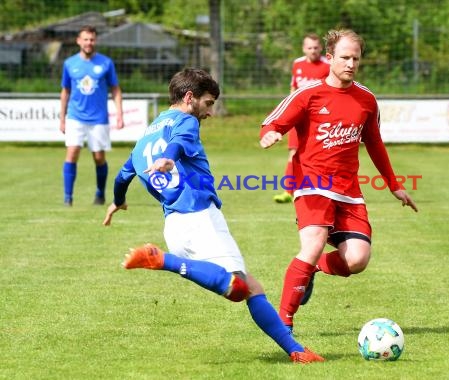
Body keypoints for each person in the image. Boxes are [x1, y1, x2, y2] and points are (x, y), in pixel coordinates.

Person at [102, 68, 324, 364]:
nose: (210, 112)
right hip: (200, 217)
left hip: (175, 225)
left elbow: (122, 176)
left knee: (251, 287)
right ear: (190, 97)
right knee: (238, 287)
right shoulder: (186, 121)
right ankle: (162, 259)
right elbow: (179, 143)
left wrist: (117, 202)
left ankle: (296, 351)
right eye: (208, 103)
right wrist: (169, 157)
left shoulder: (147, 133)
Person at [259, 29, 418, 332]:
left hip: (348, 191)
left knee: (357, 259)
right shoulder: (308, 94)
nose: (350, 63)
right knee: (315, 243)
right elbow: (273, 121)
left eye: (355, 58)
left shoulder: (367, 100)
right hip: (311, 185)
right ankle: (283, 324)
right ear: (330, 58)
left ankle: (312, 269)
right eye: (344, 57)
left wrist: (394, 185)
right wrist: (272, 133)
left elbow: (375, 143)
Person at [60, 25, 124, 206]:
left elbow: (115, 89)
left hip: (98, 118)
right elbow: (65, 91)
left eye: (92, 39)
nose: (89, 43)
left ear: (95, 41)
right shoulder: (70, 64)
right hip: (75, 116)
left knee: (99, 157)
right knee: (72, 153)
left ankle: (100, 193)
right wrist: (62, 118)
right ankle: (68, 198)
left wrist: (119, 114)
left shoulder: (105, 63)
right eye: (85, 39)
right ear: (78, 41)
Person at [273, 33, 330, 204]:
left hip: (319, 119)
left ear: (321, 48)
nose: (313, 51)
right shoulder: (297, 64)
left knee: (321, 155)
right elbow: (293, 88)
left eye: (315, 47)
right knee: (293, 153)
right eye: (309, 47)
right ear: (304, 48)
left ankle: (322, 189)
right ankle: (288, 191)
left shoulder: (328, 65)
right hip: (298, 118)